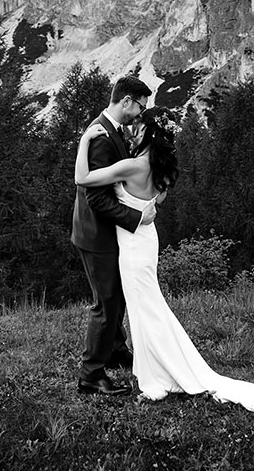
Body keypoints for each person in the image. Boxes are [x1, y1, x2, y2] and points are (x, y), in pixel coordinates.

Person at [74, 106, 254, 423]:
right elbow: (155, 203)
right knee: (146, 304)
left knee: (144, 307)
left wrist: (84, 140)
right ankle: (151, 363)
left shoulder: (132, 166)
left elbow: (82, 178)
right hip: (146, 239)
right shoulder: (160, 169)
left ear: (146, 133)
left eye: (139, 128)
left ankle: (158, 370)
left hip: (132, 247)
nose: (134, 131)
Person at [71, 75, 157, 396]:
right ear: (125, 102)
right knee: (106, 305)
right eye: (139, 106)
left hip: (106, 233)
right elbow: (96, 197)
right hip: (96, 236)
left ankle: (116, 350)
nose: (139, 114)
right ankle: (91, 375)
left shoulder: (112, 130)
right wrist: (138, 218)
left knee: (117, 295)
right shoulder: (101, 138)